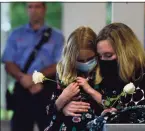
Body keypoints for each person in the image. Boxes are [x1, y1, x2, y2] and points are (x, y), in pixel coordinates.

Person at [86, 22, 145, 130]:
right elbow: (83, 123)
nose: (103, 61)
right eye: (100, 56)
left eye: (108, 55)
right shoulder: (96, 81)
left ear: (126, 53)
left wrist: (121, 118)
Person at [2, 2, 64, 131]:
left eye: (37, 6)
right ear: (26, 9)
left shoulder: (57, 36)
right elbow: (8, 62)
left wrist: (35, 78)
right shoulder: (15, 34)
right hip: (22, 87)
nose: (33, 10)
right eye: (30, 7)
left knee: (50, 127)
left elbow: (59, 64)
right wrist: (23, 78)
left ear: (44, 9)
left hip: (45, 89)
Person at [44, 26, 104, 131]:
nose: (85, 63)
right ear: (71, 57)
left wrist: (90, 90)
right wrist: (63, 100)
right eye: (80, 60)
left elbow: (111, 104)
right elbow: (49, 109)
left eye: (90, 59)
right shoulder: (63, 73)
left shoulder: (104, 71)